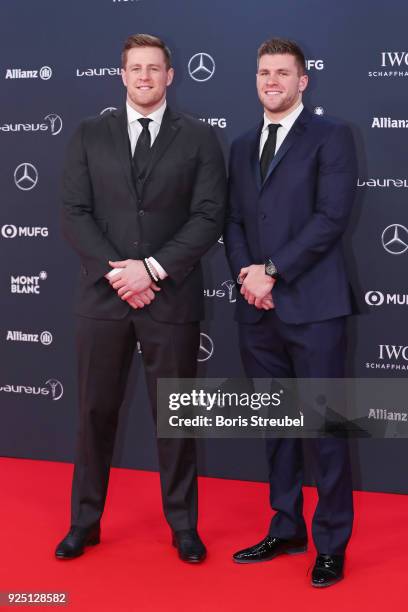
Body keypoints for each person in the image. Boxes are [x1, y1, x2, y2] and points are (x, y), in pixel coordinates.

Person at [56, 33, 226, 563]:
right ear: (122, 75)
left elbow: (208, 216)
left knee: (176, 417)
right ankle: (84, 521)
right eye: (136, 68)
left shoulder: (199, 138)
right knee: (93, 412)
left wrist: (150, 270)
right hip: (103, 296)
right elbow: (74, 212)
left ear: (171, 76)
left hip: (170, 296)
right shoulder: (88, 135)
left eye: (155, 68)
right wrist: (119, 273)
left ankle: (183, 527)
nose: (145, 76)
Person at [224, 38, 357, 587]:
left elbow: (330, 219)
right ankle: (286, 525)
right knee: (277, 425)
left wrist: (272, 271)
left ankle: (331, 542)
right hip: (258, 310)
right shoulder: (239, 144)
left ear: (304, 81)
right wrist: (246, 277)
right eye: (263, 73)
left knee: (324, 430)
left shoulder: (332, 136)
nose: (271, 81)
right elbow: (231, 221)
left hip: (314, 306)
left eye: (282, 72)